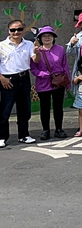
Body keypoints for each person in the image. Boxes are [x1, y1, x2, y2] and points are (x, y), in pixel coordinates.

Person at [0, 19, 39, 147]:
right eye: (13, 30)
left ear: (24, 30)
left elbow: (35, 60)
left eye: (19, 29)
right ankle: (2, 136)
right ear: (8, 31)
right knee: (5, 110)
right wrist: (2, 78)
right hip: (7, 80)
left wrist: (37, 53)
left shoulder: (29, 44)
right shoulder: (1, 45)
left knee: (24, 110)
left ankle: (24, 135)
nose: (16, 32)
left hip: (24, 78)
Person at [30, 25, 69, 140]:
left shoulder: (60, 49)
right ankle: (45, 130)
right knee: (44, 107)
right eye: (44, 36)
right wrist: (43, 74)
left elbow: (65, 65)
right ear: (40, 38)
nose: (47, 38)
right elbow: (33, 68)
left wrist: (67, 81)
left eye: (49, 36)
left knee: (58, 107)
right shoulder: (37, 51)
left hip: (59, 82)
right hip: (43, 83)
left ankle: (59, 129)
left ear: (53, 37)